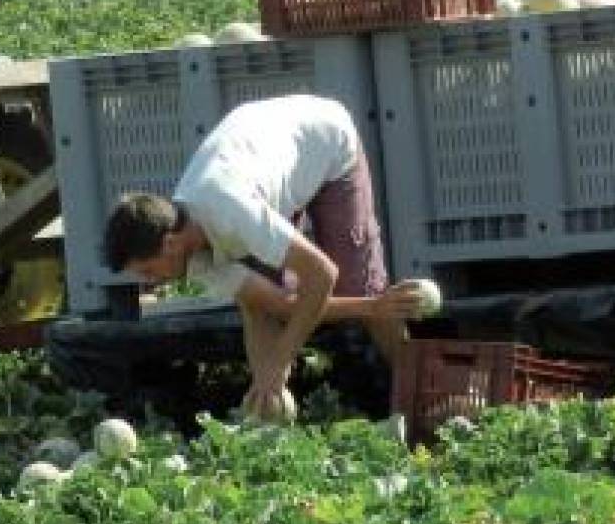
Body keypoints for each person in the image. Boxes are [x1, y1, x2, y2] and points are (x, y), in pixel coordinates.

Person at [102, 94, 428, 410]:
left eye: (147, 270)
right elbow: (270, 305)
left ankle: (425, 396)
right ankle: (269, 422)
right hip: (266, 163)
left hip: (325, 142)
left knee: (358, 286)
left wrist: (283, 357)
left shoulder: (232, 212)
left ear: (169, 244)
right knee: (262, 311)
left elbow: (322, 274)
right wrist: (267, 381)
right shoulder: (193, 254)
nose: (150, 283)